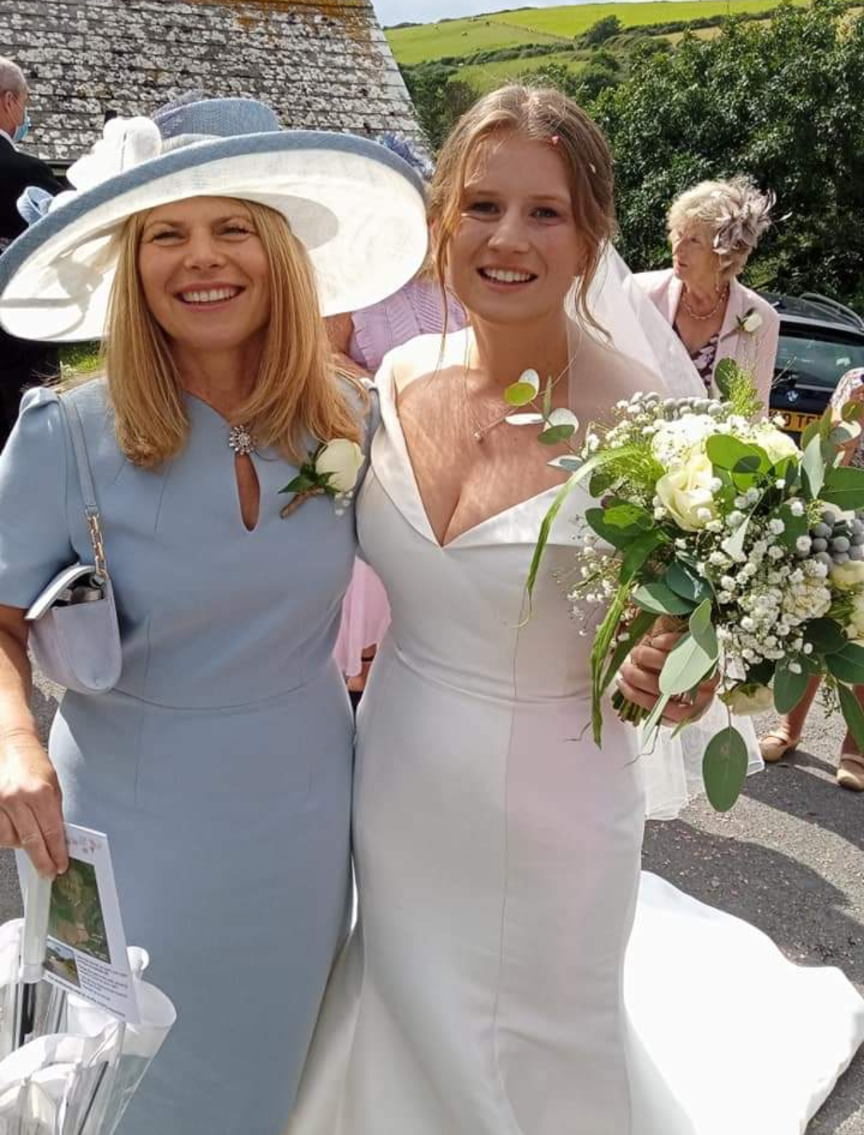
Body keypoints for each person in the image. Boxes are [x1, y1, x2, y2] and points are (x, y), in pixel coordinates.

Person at [287, 86, 864, 1135]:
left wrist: (681, 662)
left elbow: (711, 627)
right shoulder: (395, 377)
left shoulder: (663, 435)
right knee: (395, 1012)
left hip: (555, 810)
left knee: (544, 1048)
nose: (507, 237)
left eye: (544, 211)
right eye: (480, 205)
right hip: (397, 779)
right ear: (442, 221)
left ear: (594, 229)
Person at [0, 98, 426, 1134]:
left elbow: (459, 567)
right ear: (130, 264)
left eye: (231, 227)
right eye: (167, 235)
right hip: (131, 828)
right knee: (127, 1082)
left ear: (276, 253)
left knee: (271, 1071)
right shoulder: (63, 434)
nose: (204, 259)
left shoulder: (349, 417)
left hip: (306, 816)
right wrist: (13, 738)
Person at [327, 133, 467, 701]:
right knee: (375, 583)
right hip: (379, 456)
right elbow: (323, 355)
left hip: (455, 459)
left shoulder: (457, 286)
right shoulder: (352, 288)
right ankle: (360, 685)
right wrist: (386, 388)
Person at [759, 365, 864, 791]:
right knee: (812, 621)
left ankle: (856, 745)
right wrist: (850, 424)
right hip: (839, 521)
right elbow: (829, 458)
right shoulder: (856, 379)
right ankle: (789, 726)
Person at [634, 177, 779, 411]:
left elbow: (754, 413)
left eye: (694, 241)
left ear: (725, 255)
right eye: (678, 233)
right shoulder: (640, 294)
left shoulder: (762, 319)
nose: (678, 249)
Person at [0, 56, 63, 449]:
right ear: (8, 101)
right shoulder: (24, 172)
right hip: (15, 343)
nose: (24, 113)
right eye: (24, 102)